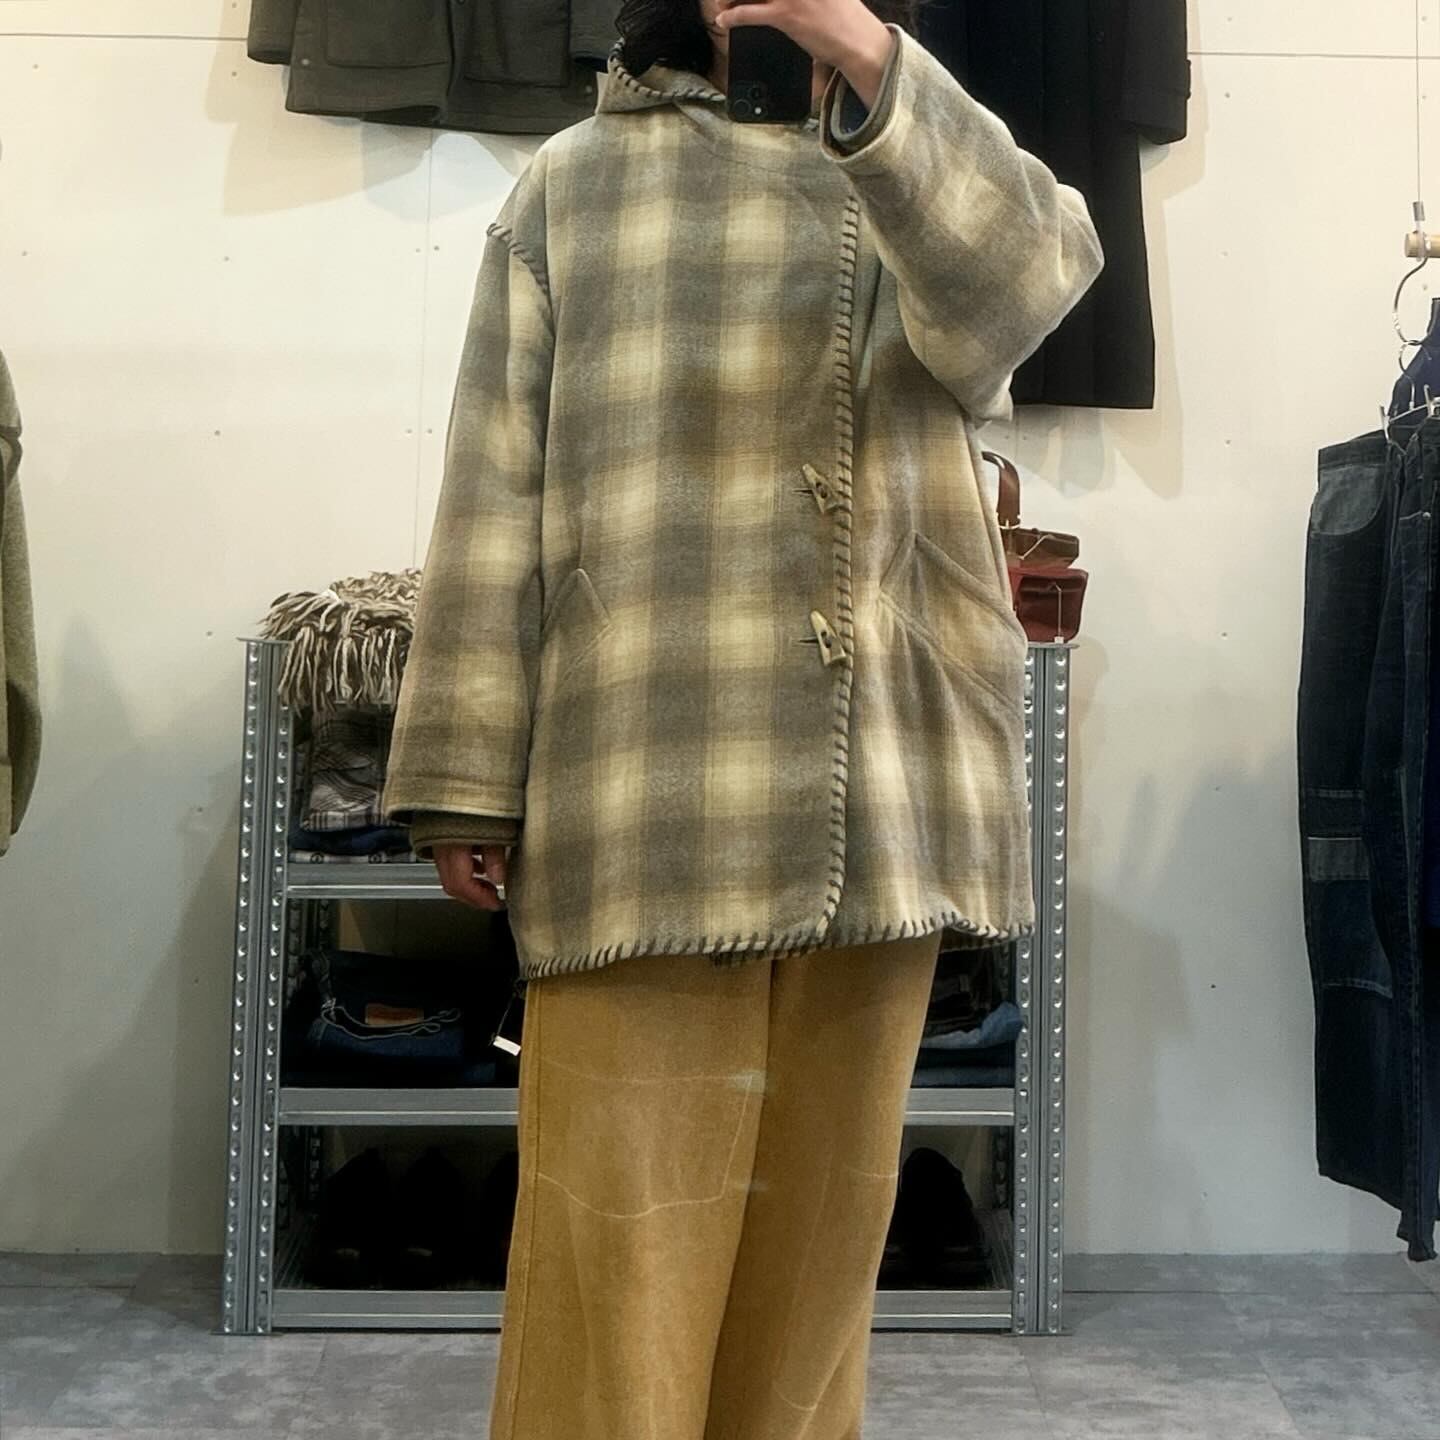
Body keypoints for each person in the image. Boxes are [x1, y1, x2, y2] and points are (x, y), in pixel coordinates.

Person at [379, 0, 1102, 1434]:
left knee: (817, 1282)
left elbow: (1034, 285)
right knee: (614, 1266)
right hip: (646, 778)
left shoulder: (906, 157)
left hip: (878, 789)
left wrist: (869, 58)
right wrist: (464, 773)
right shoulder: (575, 182)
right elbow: (493, 486)